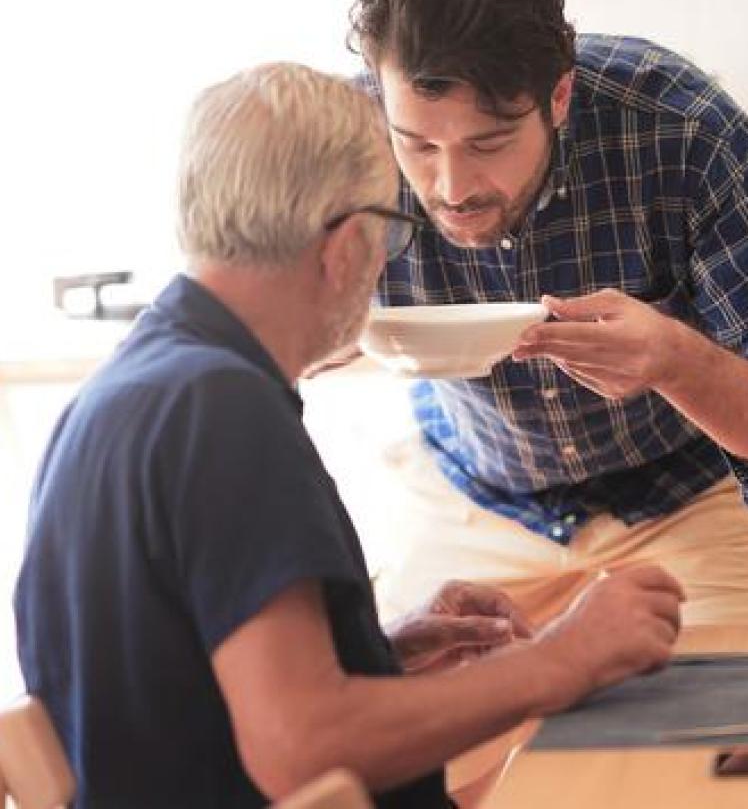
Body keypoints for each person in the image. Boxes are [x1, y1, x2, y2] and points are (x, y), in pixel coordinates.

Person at [13, 63, 684, 809]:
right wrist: (566, 657)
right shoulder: (222, 412)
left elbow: (177, 706)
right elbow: (301, 749)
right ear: (345, 245)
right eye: (392, 231)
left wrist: (374, 652)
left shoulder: (132, 388)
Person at [348, 0, 748, 630]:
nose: (450, 186)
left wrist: (677, 360)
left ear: (558, 95)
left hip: (690, 495)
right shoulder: (343, 142)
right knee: (404, 728)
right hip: (473, 493)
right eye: (416, 143)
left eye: (488, 143)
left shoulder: (678, 128)